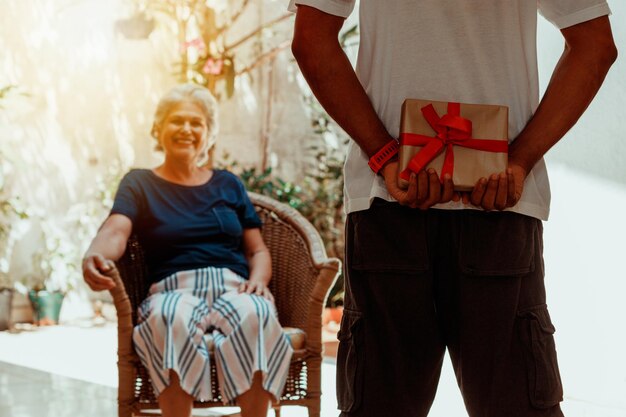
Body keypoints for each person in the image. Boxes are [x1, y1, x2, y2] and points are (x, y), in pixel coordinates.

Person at [290, 2, 617, 417]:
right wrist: (518, 161)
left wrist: (386, 157)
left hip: (389, 202)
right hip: (501, 205)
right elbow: (594, 47)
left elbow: (311, 41)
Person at [82, 83, 293, 417]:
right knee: (169, 320)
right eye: (176, 121)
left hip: (233, 285)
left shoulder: (228, 183)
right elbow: (115, 229)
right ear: (159, 129)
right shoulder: (139, 183)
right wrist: (97, 255)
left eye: (196, 123)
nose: (186, 129)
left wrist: (259, 281)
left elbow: (258, 251)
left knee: (258, 314)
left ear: (208, 133)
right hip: (173, 288)